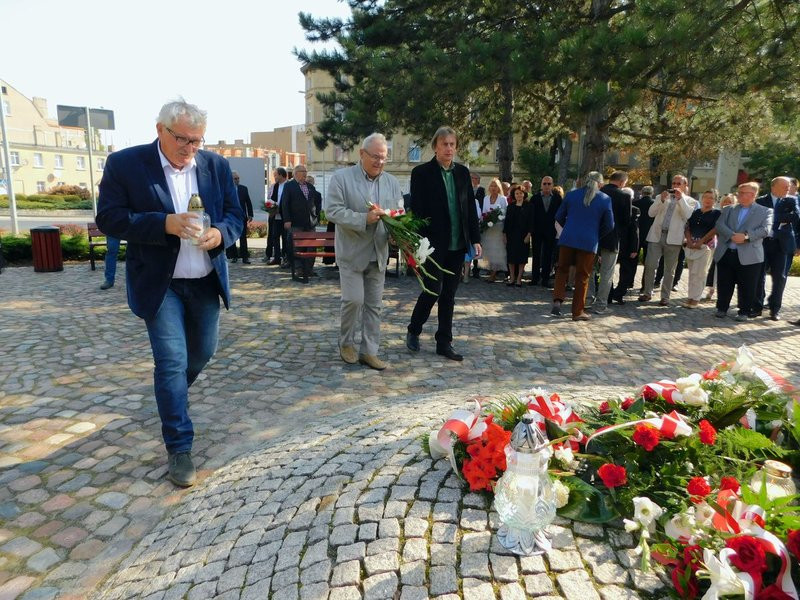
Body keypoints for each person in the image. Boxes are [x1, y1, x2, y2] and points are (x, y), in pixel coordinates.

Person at [96, 99, 243, 487]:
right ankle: (179, 446)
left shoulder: (215, 166)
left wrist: (220, 234)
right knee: (172, 362)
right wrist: (164, 224)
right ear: (160, 129)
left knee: (202, 354)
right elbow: (109, 218)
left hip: (205, 281)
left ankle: (170, 397)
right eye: (183, 139)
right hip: (161, 285)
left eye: (197, 140)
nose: (190, 148)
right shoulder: (126, 164)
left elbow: (235, 216)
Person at [325, 133, 402, 371]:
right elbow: (332, 211)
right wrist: (363, 219)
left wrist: (397, 229)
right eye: (375, 157)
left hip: (378, 252)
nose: (379, 162)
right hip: (351, 252)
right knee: (353, 300)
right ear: (362, 154)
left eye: (384, 157)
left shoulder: (391, 182)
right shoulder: (341, 178)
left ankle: (370, 351)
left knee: (374, 306)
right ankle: (346, 342)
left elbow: (399, 210)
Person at [405, 126, 482, 361]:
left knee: (449, 294)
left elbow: (469, 207)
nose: (449, 148)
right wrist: (417, 242)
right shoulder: (421, 173)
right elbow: (417, 212)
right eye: (444, 144)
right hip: (433, 244)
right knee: (432, 290)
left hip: (457, 244)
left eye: (452, 144)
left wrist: (475, 240)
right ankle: (414, 329)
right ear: (435, 147)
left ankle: (444, 342)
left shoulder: (462, 173)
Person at [551, 172, 614, 321]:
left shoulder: (571, 195)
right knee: (582, 275)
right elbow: (610, 225)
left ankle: (557, 300)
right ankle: (577, 311)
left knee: (561, 269)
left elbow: (559, 216)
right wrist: (596, 234)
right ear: (600, 183)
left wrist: (569, 228)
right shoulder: (605, 199)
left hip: (567, 238)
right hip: (589, 240)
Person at [713, 182, 772, 321]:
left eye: (743, 192)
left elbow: (765, 230)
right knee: (724, 282)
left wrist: (746, 237)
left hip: (750, 255)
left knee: (748, 285)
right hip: (727, 252)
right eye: (739, 192)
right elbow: (719, 225)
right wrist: (732, 235)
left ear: (753, 195)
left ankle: (744, 311)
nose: (739, 195)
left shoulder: (765, 211)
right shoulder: (729, 209)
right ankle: (722, 308)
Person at [639, 175, 697, 306]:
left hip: (674, 238)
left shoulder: (690, 201)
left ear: (685, 186)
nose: (676, 185)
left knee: (669, 270)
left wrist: (680, 199)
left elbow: (688, 216)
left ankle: (665, 296)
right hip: (656, 236)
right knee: (650, 265)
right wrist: (661, 200)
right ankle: (647, 292)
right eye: (674, 183)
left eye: (679, 183)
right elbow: (650, 213)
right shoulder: (661, 197)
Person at [754, 176, 799, 320]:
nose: (788, 189)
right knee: (758, 275)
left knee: (780, 277)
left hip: (782, 244)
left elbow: (796, 217)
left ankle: (775, 310)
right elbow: (757, 219)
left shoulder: (791, 200)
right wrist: (782, 217)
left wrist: (772, 216)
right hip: (763, 243)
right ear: (774, 187)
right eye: (785, 186)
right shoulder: (761, 200)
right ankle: (757, 307)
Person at [593, 171, 631, 313]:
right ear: (622, 182)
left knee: (590, 271)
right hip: (612, 237)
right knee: (607, 273)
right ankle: (601, 305)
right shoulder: (624, 196)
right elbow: (626, 220)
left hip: (594, 236)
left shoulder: (597, 192)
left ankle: (587, 299)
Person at [682, 190, 721, 308]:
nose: (708, 200)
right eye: (706, 197)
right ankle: (690, 296)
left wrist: (702, 241)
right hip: (691, 244)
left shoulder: (717, 213)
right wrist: (688, 240)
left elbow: (715, 229)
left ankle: (696, 298)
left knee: (700, 273)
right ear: (702, 198)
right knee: (692, 272)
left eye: (711, 198)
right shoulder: (696, 212)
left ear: (715, 200)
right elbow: (688, 227)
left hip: (706, 246)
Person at [281, 164, 319, 282]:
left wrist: (315, 216)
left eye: (306, 171)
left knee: (311, 247)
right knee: (296, 247)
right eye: (303, 171)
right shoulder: (289, 186)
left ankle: (308, 269)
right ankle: (298, 269)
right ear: (296, 173)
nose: (305, 173)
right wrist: (287, 220)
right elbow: (285, 204)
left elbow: (316, 203)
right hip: (296, 222)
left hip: (310, 223)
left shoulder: (310, 187)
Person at [529, 176, 563, 288]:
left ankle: (545, 278)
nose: (547, 186)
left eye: (549, 184)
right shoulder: (535, 198)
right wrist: (531, 230)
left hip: (551, 231)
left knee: (548, 255)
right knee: (536, 254)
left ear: (552, 185)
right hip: (537, 231)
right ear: (541, 185)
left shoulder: (557, 198)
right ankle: (534, 278)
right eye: (544, 184)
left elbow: (561, 214)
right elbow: (532, 216)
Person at [609, 187, 639, 304]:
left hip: (613, 243)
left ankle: (610, 294)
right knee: (625, 272)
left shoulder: (612, 207)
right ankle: (618, 294)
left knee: (608, 270)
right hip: (626, 246)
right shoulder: (635, 210)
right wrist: (634, 248)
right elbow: (635, 231)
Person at [504, 184, 532, 286]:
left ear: (524, 194)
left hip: (523, 235)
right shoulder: (511, 206)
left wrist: (529, 235)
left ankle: (519, 278)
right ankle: (512, 278)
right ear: (514, 195)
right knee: (511, 257)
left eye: (520, 193)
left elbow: (531, 222)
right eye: (516, 193)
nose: (519, 195)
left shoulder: (529, 206)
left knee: (521, 258)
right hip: (511, 235)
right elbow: (506, 222)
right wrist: (505, 235)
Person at [479, 178, 507, 282]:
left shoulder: (502, 199)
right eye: (492, 186)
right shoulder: (486, 198)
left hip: (499, 228)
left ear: (499, 187)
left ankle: (493, 274)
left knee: (497, 251)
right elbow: (483, 213)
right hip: (488, 229)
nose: (493, 188)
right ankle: (491, 272)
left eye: (495, 186)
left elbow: (504, 213)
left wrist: (495, 218)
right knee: (489, 251)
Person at [226, 171, 253, 264]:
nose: (237, 180)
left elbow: (248, 202)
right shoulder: (227, 189)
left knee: (243, 237)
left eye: (238, 178)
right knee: (232, 237)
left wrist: (250, 214)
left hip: (242, 217)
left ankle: (245, 257)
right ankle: (234, 256)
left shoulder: (243, 189)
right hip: (231, 217)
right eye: (235, 178)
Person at [265, 168, 287, 265]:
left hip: (286, 216)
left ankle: (286, 257)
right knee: (275, 236)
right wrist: (270, 206)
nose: (275, 177)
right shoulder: (274, 186)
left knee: (286, 238)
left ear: (281, 175)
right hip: (275, 216)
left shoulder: (288, 185)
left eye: (276, 175)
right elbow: (270, 198)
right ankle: (277, 257)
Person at [469, 172, 485, 278]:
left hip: (477, 217)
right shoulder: (468, 189)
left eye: (474, 178)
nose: (472, 180)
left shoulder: (481, 190)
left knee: (477, 243)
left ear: (478, 180)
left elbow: (482, 202)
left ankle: (476, 268)